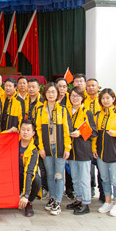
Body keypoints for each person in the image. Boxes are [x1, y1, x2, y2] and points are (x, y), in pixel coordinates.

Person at [36, 82, 71, 215]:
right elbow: (38, 130)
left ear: (58, 94)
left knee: (59, 175)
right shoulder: (40, 110)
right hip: (46, 147)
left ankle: (58, 201)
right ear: (45, 94)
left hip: (60, 146)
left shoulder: (62, 110)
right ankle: (52, 198)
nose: (51, 94)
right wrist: (41, 148)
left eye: (53, 92)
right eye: (49, 92)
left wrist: (67, 147)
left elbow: (67, 130)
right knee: (50, 174)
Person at [94, 88, 116, 217]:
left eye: (108, 98)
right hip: (101, 153)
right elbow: (95, 135)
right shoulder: (98, 115)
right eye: (103, 98)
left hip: (115, 153)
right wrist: (94, 149)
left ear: (113, 99)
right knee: (105, 179)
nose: (105, 100)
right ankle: (107, 201)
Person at [66, 86, 97, 215]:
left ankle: (86, 202)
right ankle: (78, 199)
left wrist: (80, 132)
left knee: (84, 177)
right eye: (73, 96)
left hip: (83, 150)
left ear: (82, 98)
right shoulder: (67, 111)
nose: (75, 98)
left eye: (78, 96)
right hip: (72, 150)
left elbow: (94, 131)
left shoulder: (86, 112)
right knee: (75, 178)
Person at [18, 119, 41, 217]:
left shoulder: (34, 151)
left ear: (33, 133)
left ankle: (28, 202)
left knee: (36, 179)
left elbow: (29, 172)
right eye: (23, 129)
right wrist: (8, 131)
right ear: (19, 131)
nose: (25, 132)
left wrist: (26, 195)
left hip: (26, 177)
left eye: (28, 130)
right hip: (14, 177)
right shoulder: (13, 143)